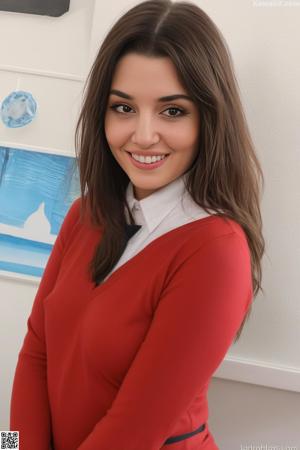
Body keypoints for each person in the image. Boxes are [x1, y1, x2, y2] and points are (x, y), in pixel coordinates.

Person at [9, 0, 265, 449]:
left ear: (209, 117)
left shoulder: (216, 251)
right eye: (123, 108)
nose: (143, 135)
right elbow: (35, 352)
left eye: (173, 111)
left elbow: (135, 430)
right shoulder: (85, 214)